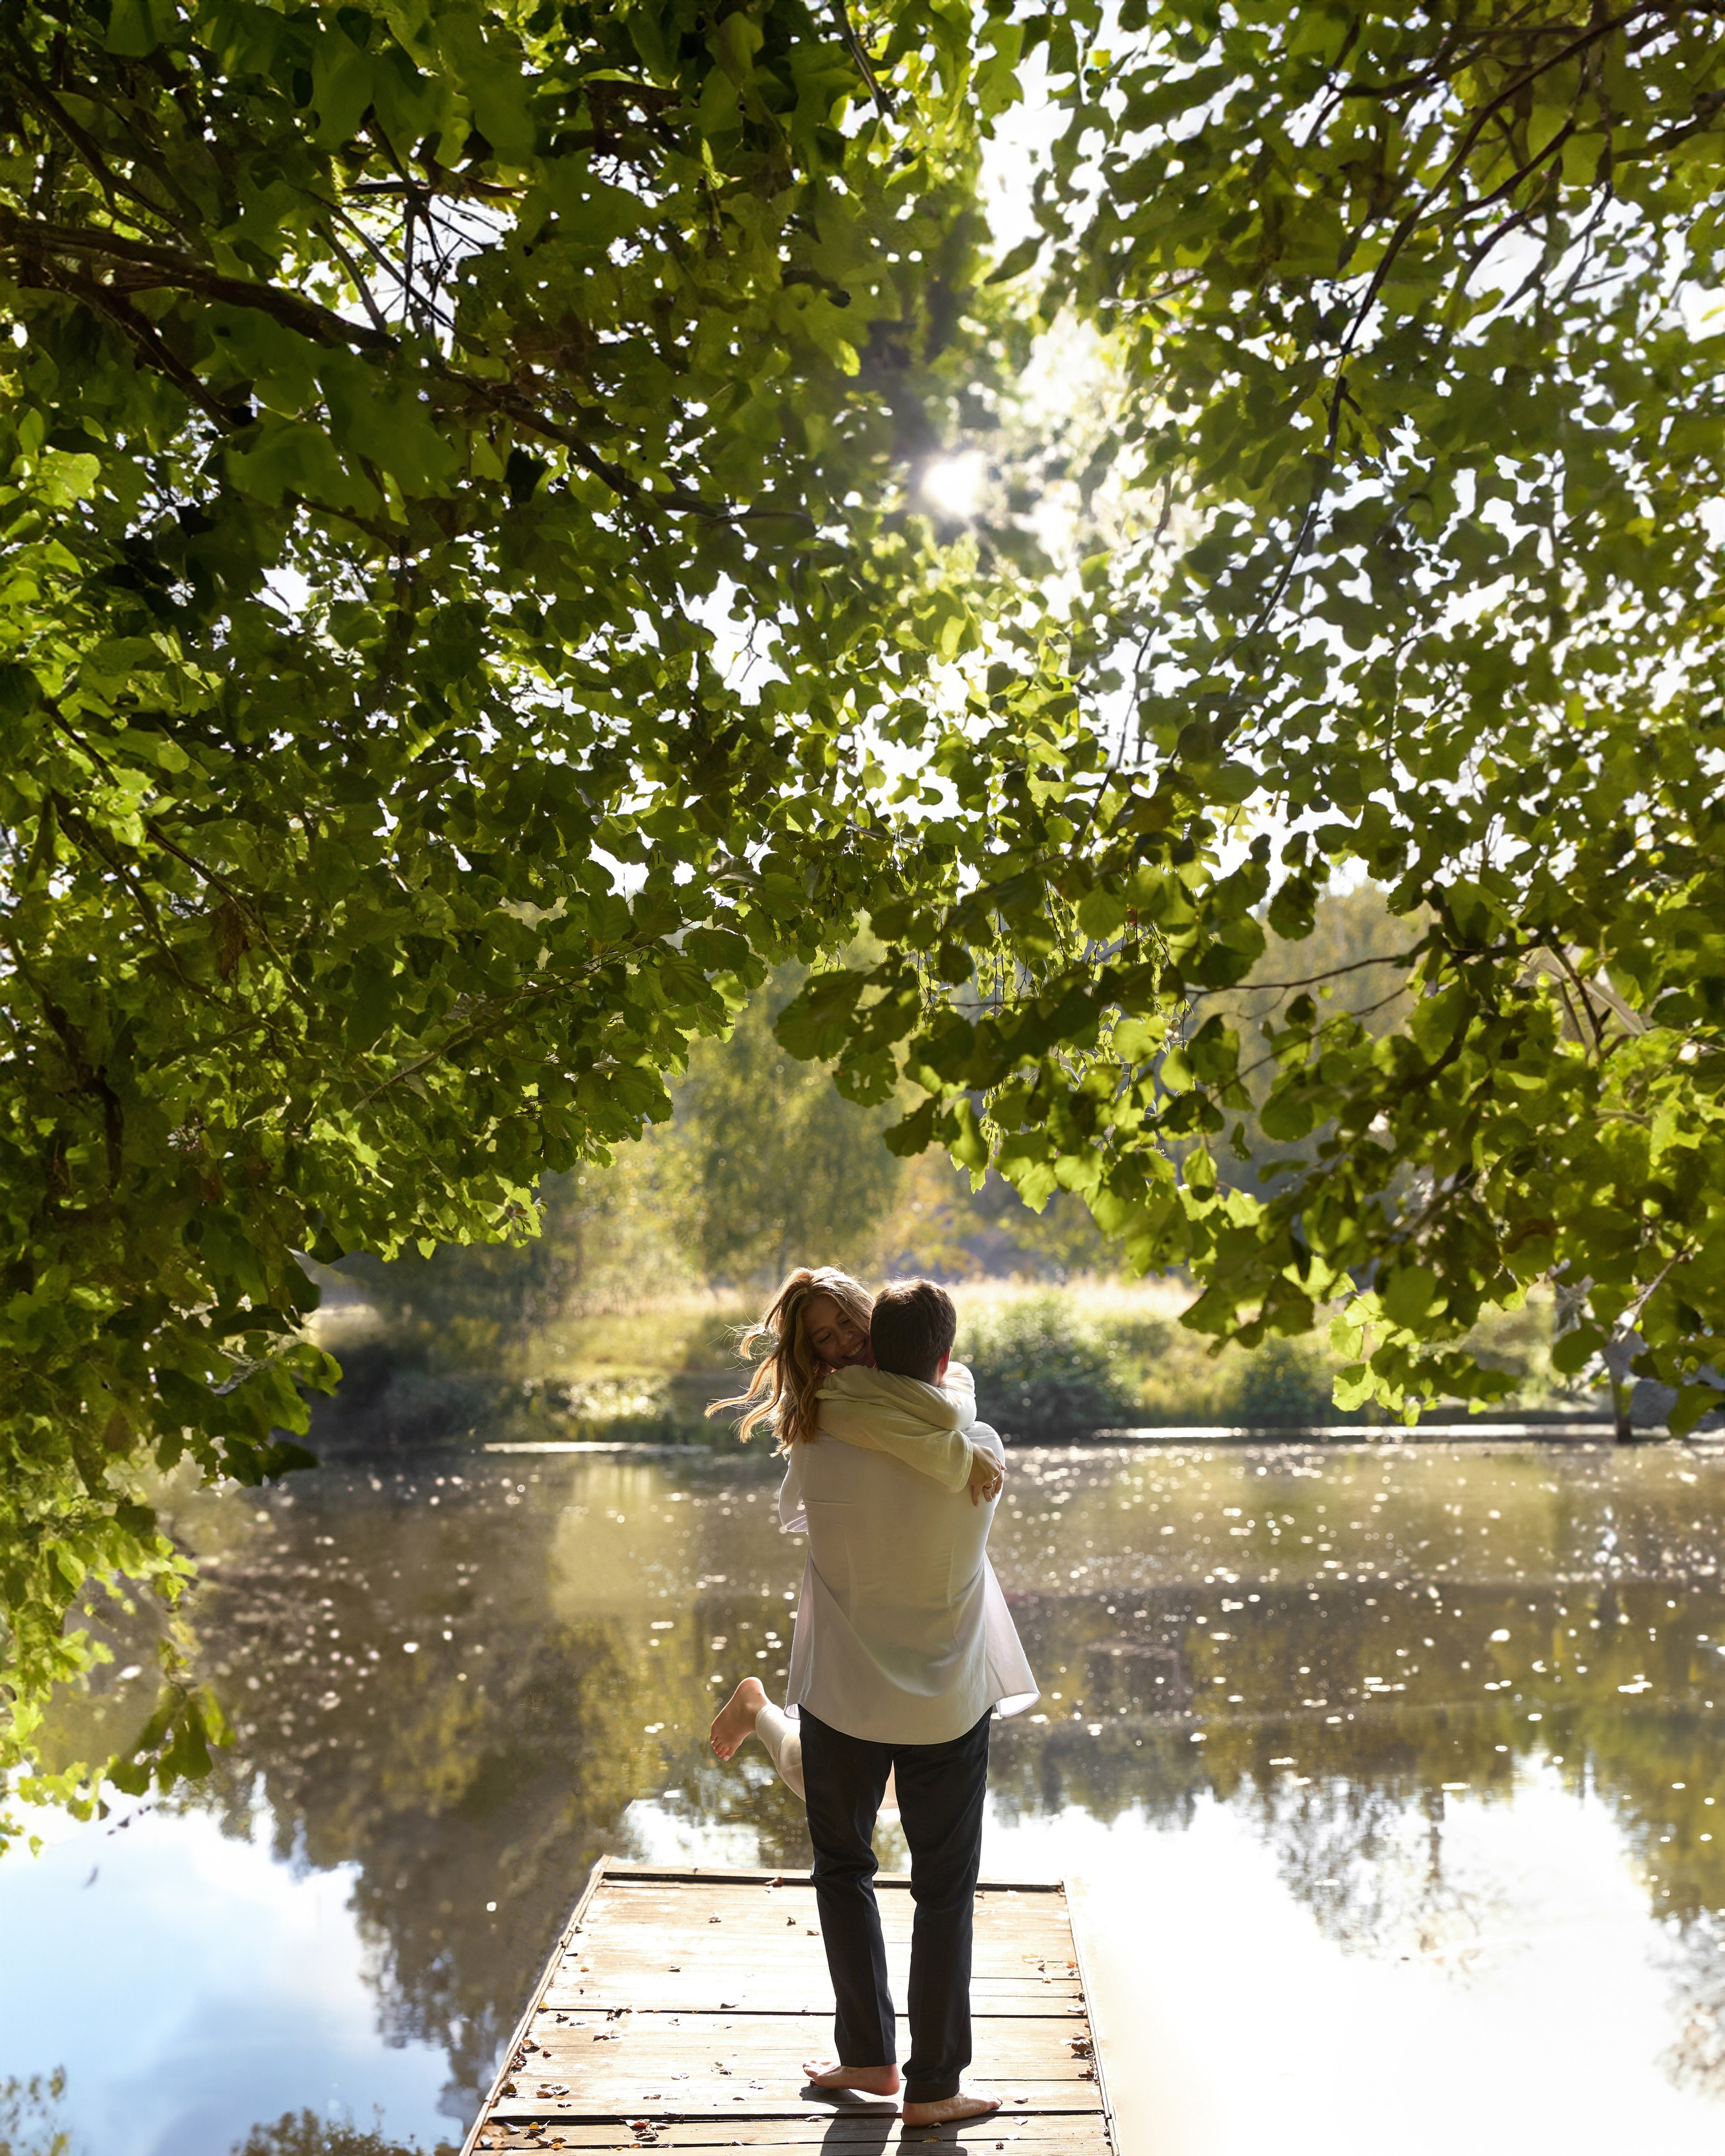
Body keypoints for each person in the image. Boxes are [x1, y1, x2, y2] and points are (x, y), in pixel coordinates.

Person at [716, 1270, 1037, 2127]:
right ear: (940, 1355)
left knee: (844, 1870)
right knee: (943, 1891)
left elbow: (801, 1511)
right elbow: (945, 1393)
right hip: (947, 1702)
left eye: (843, 1332)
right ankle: (933, 2087)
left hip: (843, 1694)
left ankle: (869, 2052)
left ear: (864, 1334)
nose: (835, 1348)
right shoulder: (982, 1449)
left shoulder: (816, 1439)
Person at [708, 1268, 1003, 1798]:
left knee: (848, 1781)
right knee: (819, 1783)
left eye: (848, 1322)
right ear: (814, 1353)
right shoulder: (829, 1403)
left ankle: (757, 1709)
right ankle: (757, 1708)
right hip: (862, 1615)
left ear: (869, 1313)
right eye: (825, 1336)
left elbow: (937, 1397)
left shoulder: (933, 1390)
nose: (844, 1341)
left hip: (923, 1632)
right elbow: (864, 1434)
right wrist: (957, 1457)